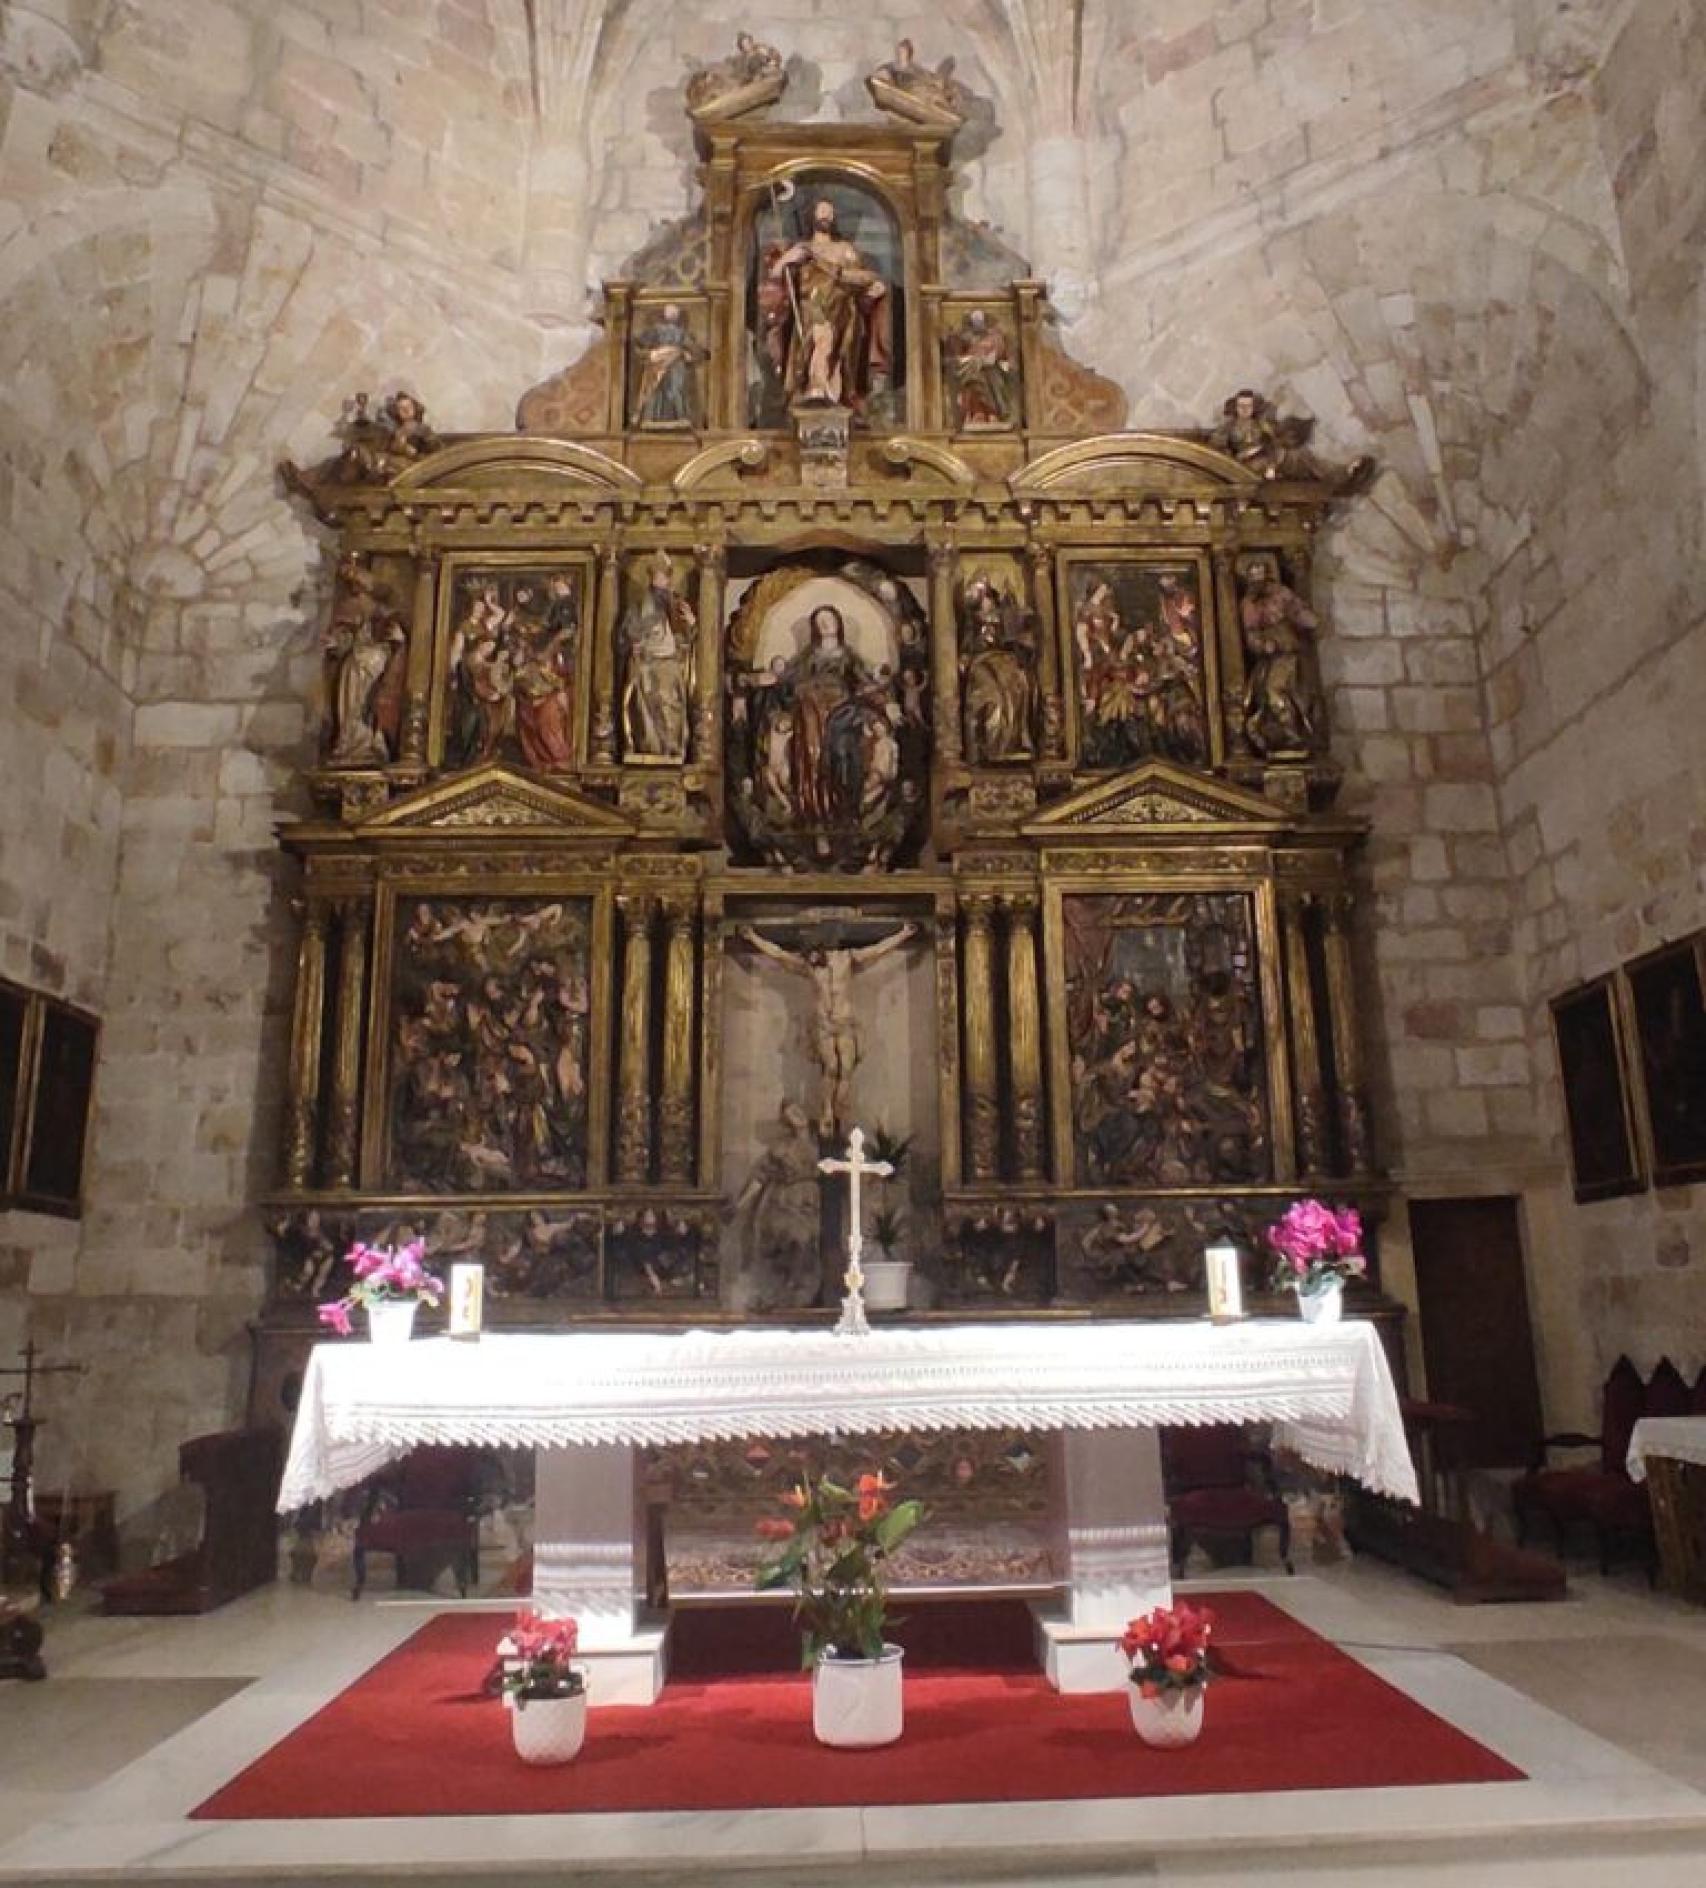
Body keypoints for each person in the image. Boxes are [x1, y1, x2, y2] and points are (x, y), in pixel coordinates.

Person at [739, 922, 918, 1138]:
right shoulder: (808, 967)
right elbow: (779, 955)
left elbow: (879, 951)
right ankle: (826, 1111)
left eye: (812, 952)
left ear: (822, 946)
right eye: (808, 954)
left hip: (844, 1022)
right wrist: (752, 938)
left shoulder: (847, 959)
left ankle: (840, 1109)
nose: (810, 958)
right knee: (831, 1067)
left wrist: (903, 935)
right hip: (823, 1025)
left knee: (848, 1068)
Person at [768, 199, 891, 411]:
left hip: (841, 307)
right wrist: (787, 258)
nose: (826, 217)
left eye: (830, 213)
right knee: (818, 339)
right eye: (821, 212)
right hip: (812, 306)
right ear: (812, 216)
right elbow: (776, 274)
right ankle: (815, 386)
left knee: (836, 348)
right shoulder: (803, 249)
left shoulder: (844, 249)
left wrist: (853, 279)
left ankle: (830, 391)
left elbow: (865, 276)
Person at [619, 551, 695, 760]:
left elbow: (689, 636)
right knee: (646, 705)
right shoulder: (639, 605)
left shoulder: (677, 604)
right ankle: (651, 747)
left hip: (669, 661)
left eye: (664, 575)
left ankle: (671, 747)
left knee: (669, 702)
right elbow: (628, 631)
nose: (660, 580)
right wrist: (634, 641)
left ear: (669, 578)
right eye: (655, 575)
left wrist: (691, 623)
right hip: (647, 660)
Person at [632, 304, 701, 428]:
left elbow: (638, 341)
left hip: (672, 364)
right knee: (661, 390)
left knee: (670, 390)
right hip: (662, 363)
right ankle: (661, 418)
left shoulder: (675, 332)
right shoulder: (659, 330)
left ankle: (670, 418)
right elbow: (639, 342)